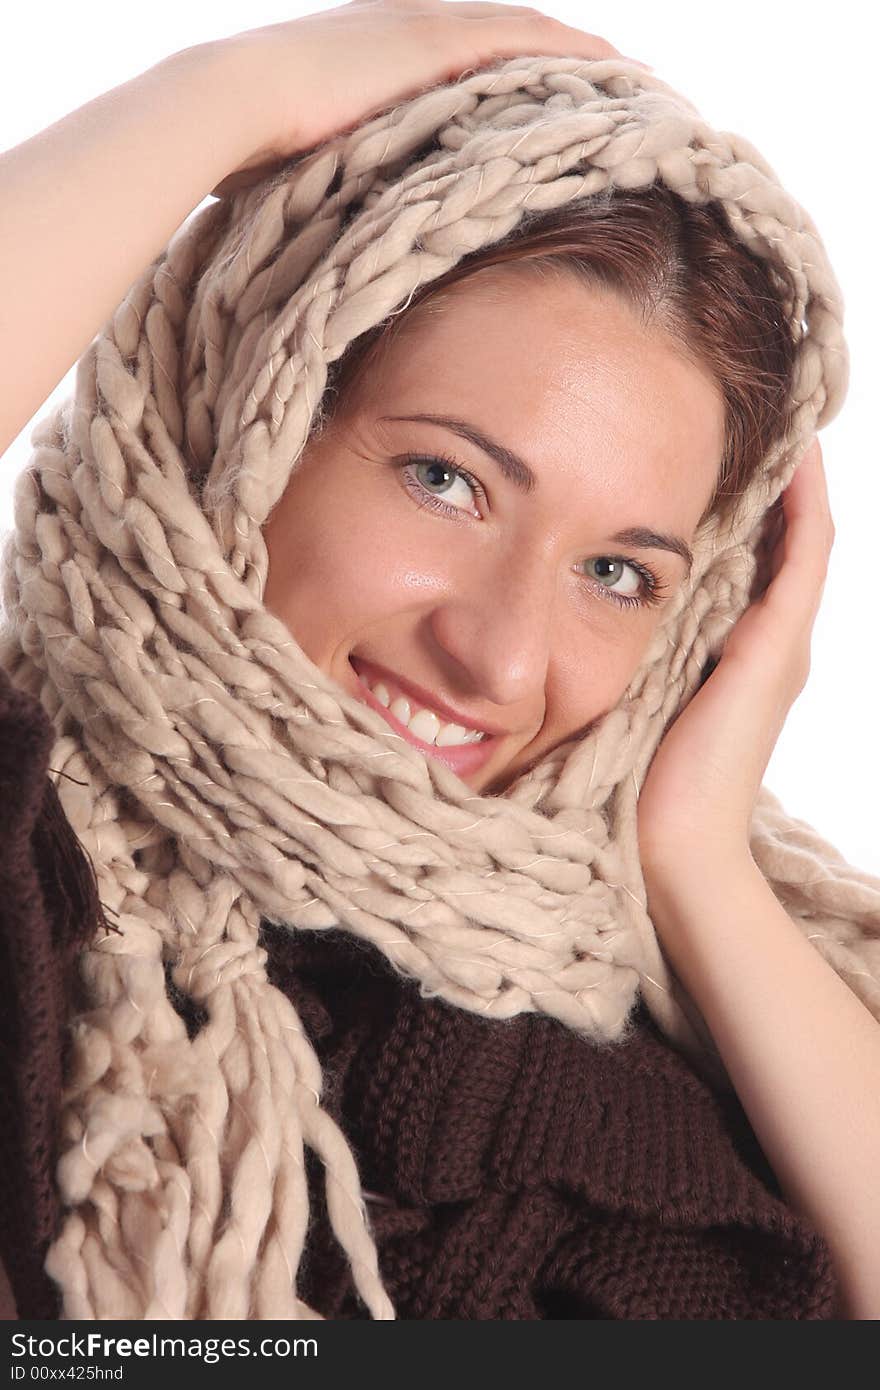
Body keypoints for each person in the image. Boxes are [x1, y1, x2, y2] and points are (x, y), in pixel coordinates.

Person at [1, 0, 879, 1322]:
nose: (499, 654)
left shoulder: (718, 1020)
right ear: (251, 416)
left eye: (618, 572)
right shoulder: (39, 878)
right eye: (444, 478)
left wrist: (694, 857)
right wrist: (238, 93)